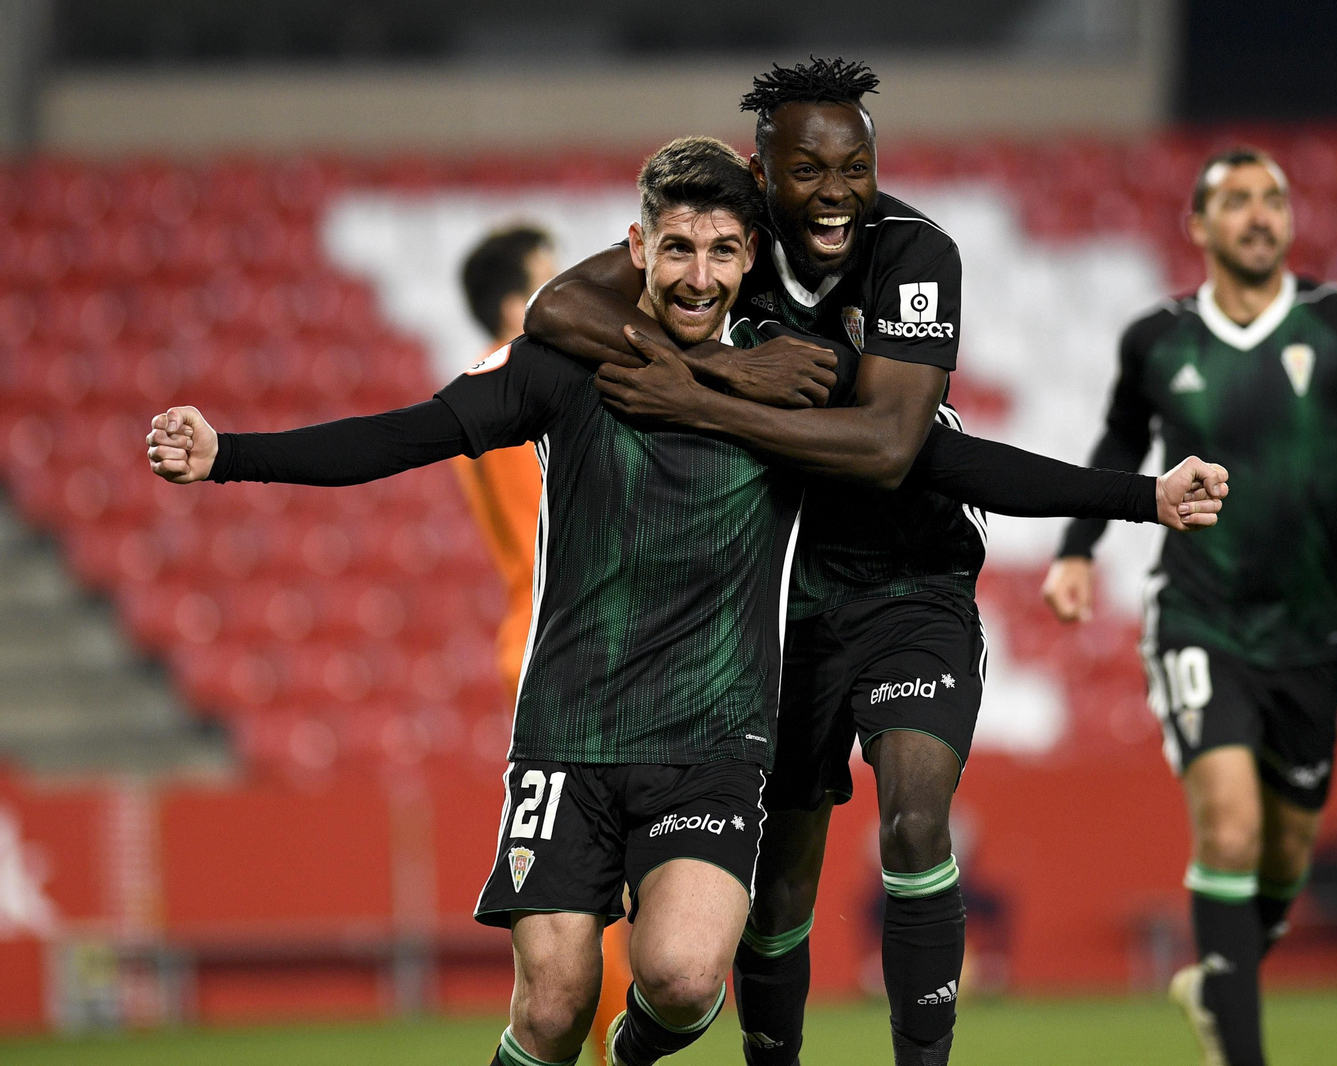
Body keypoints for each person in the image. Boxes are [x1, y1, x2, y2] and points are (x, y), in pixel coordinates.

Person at [149, 135, 1221, 1066]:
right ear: (638, 249)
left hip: (712, 740)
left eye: (720, 249)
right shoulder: (565, 368)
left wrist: (1140, 498)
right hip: (569, 732)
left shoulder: (798, 380)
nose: (699, 273)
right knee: (556, 996)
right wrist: (229, 454)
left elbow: (952, 462)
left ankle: (643, 1050)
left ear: (747, 256)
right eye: (677, 248)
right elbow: (404, 434)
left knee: (680, 978)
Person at [525, 57, 1226, 1066]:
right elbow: (555, 311)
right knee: (779, 885)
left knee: (910, 818)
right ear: (760, 170)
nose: (837, 191)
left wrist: (694, 398)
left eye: (855, 166)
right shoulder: (725, 243)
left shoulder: (913, 253)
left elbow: (901, 449)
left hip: (912, 582)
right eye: (808, 171)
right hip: (777, 605)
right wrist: (726, 363)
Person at [1041, 147, 1337, 1066]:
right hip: (1199, 615)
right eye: (1237, 201)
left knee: (1284, 855)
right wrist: (1078, 551)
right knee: (1228, 822)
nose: (1260, 215)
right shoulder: (1156, 339)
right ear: (1198, 225)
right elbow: (1117, 440)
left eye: (1274, 198)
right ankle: (1241, 1051)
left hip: (1313, 634)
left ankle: (1218, 980)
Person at [456, 223, 630, 1064]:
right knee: (602, 888)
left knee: (582, 886)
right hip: (573, 647)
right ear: (510, 302)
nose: (565, 291)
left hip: (532, 637)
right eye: (546, 280)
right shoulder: (527, 383)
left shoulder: (491, 386)